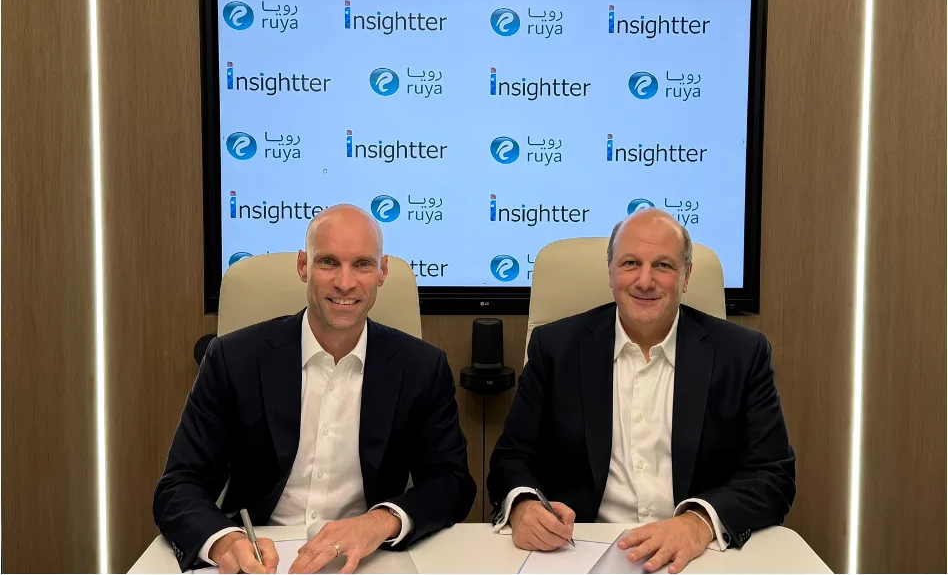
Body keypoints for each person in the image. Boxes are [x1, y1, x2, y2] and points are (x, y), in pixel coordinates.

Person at [154, 205, 476, 574]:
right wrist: (226, 541)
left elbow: (451, 483)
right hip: (260, 558)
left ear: (382, 272)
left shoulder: (422, 367)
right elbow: (179, 486)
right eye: (328, 262)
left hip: (368, 560)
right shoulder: (234, 359)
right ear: (303, 266)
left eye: (362, 265)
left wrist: (378, 522)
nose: (345, 283)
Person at [487, 208, 795, 574]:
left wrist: (698, 523)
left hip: (700, 556)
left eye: (663, 266)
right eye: (630, 263)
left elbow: (773, 475)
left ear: (686, 276)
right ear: (611, 272)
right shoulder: (555, 348)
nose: (645, 281)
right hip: (578, 552)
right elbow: (512, 458)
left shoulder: (742, 354)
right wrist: (523, 506)